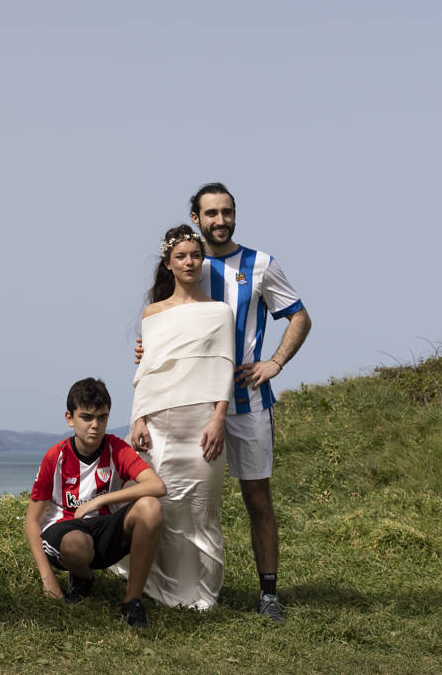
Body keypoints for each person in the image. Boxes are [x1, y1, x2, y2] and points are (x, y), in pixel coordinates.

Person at [138, 183, 311, 621]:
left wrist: (274, 362)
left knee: (257, 498)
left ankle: (268, 594)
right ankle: (172, 585)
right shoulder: (188, 260)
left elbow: (300, 316)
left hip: (247, 401)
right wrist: (147, 350)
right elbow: (163, 326)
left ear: (235, 214)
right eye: (211, 213)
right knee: (178, 500)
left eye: (227, 212)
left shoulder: (261, 265)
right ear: (195, 218)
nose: (220, 220)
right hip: (191, 408)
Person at [114, 225, 234, 610]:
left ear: (203, 262)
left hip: (203, 425)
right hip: (159, 424)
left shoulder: (218, 312)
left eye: (195, 256)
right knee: (159, 506)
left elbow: (223, 366)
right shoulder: (153, 313)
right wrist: (138, 420)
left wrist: (219, 419)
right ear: (168, 263)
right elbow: (147, 371)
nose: (189, 262)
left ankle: (200, 596)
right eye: (181, 256)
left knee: (200, 511)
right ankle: (155, 590)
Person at [25, 377, 166, 628]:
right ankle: (82, 578)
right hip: (66, 531)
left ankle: (132, 601)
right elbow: (32, 521)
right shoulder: (55, 456)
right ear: (70, 418)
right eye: (87, 417)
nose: (95, 425)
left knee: (151, 506)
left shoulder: (116, 449)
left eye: (102, 417)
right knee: (76, 544)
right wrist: (49, 581)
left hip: (103, 529)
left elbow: (157, 486)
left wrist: (100, 500)